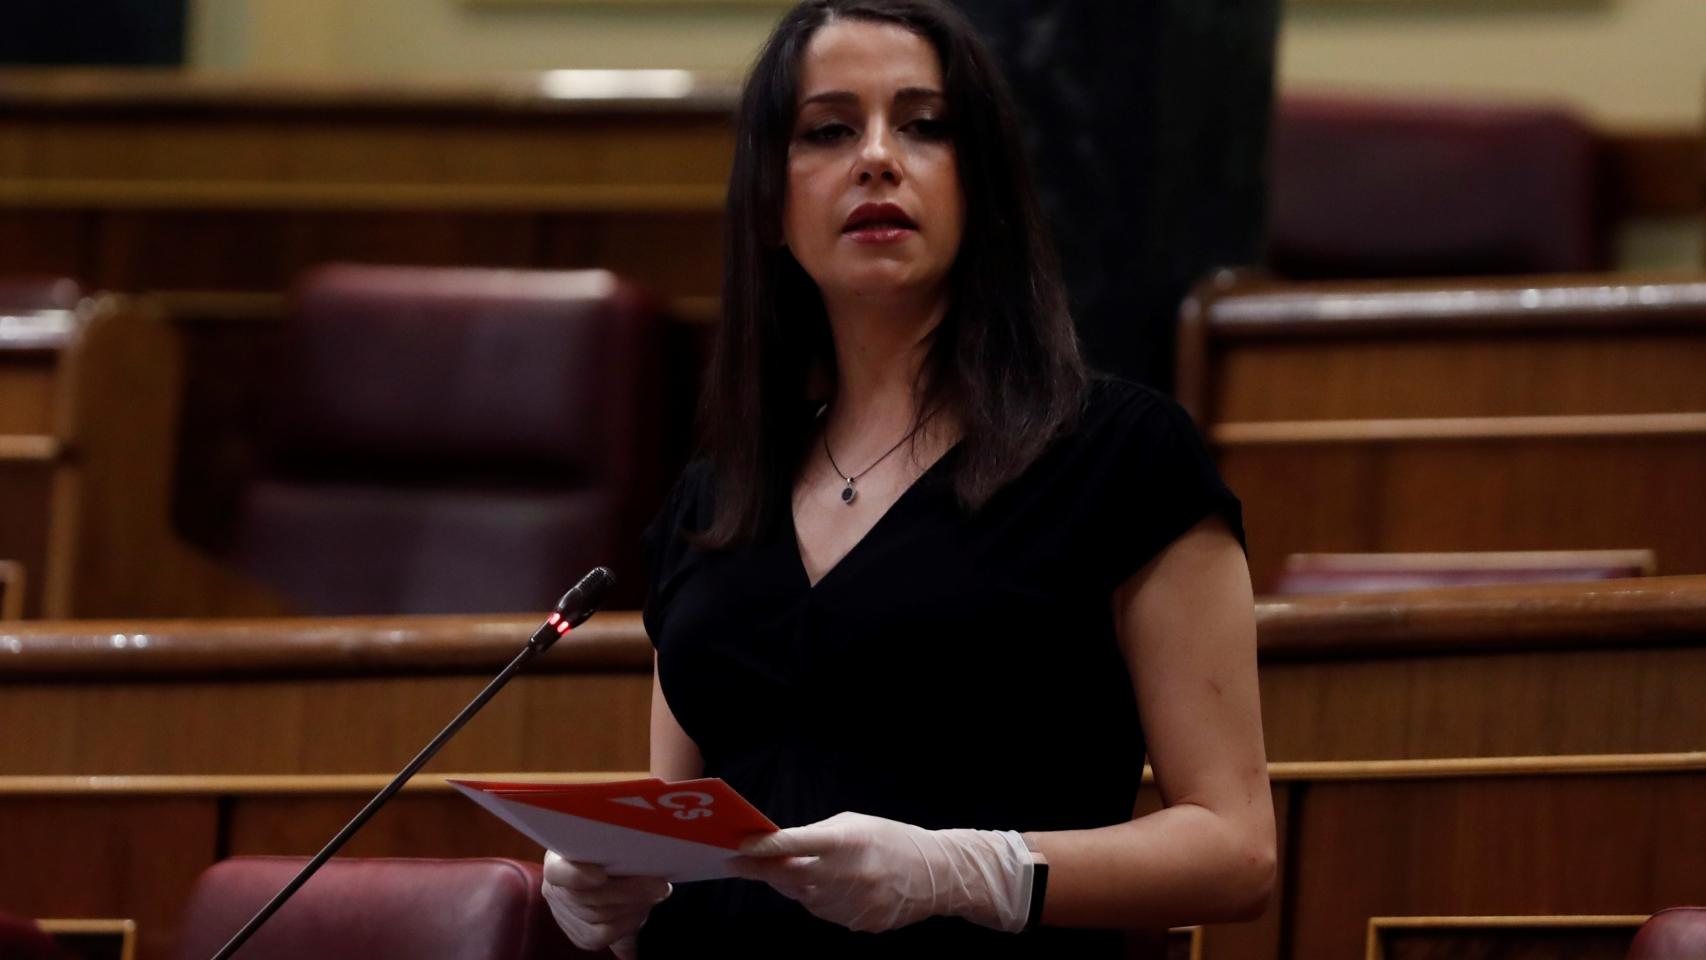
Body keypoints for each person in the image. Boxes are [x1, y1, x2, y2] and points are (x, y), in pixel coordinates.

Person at [540, 0, 1274, 956]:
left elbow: (1238, 850)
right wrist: (616, 894)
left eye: (926, 126)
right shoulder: (712, 504)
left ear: (985, 187)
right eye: (830, 129)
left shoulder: (1122, 457)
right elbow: (692, 838)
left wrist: (967, 872)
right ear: (771, 199)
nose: (878, 157)